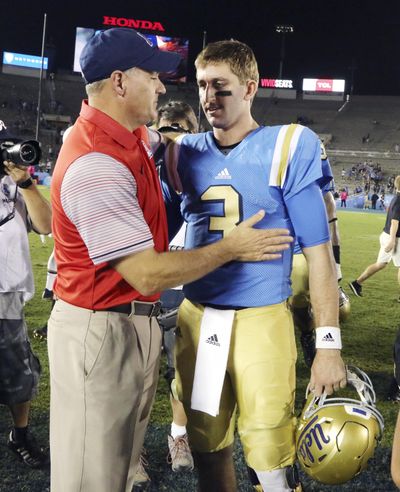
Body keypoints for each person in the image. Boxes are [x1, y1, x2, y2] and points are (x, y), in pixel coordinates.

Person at [48, 28, 292, 492]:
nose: (162, 87)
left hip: (130, 325)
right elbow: (144, 272)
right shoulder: (96, 161)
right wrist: (231, 248)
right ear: (119, 83)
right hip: (100, 330)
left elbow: (160, 141)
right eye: (153, 76)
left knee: (116, 469)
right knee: (89, 478)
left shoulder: (128, 136)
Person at [164, 40, 346, 492]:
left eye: (221, 87)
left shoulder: (287, 145)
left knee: (269, 456)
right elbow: (153, 239)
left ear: (250, 88)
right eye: (203, 85)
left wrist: (327, 346)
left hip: (261, 316)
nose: (209, 97)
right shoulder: (180, 153)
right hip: (200, 317)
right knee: (208, 447)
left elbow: (318, 254)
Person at [133, 101, 198, 487]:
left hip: (187, 287)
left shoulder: (203, 169)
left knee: (182, 374)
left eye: (183, 126)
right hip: (147, 285)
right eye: (168, 126)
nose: (175, 133)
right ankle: (134, 446)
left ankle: (178, 436)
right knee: (139, 376)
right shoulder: (142, 167)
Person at [0, 120, 52, 468]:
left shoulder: (13, 185)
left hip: (7, 293)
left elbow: (47, 225)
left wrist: (26, 182)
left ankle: (19, 433)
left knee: (19, 374)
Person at [349, 175, 400, 301]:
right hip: (394, 238)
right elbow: (394, 222)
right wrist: (393, 240)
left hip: (386, 235)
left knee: (380, 264)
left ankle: (357, 283)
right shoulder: (399, 200)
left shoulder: (396, 198)